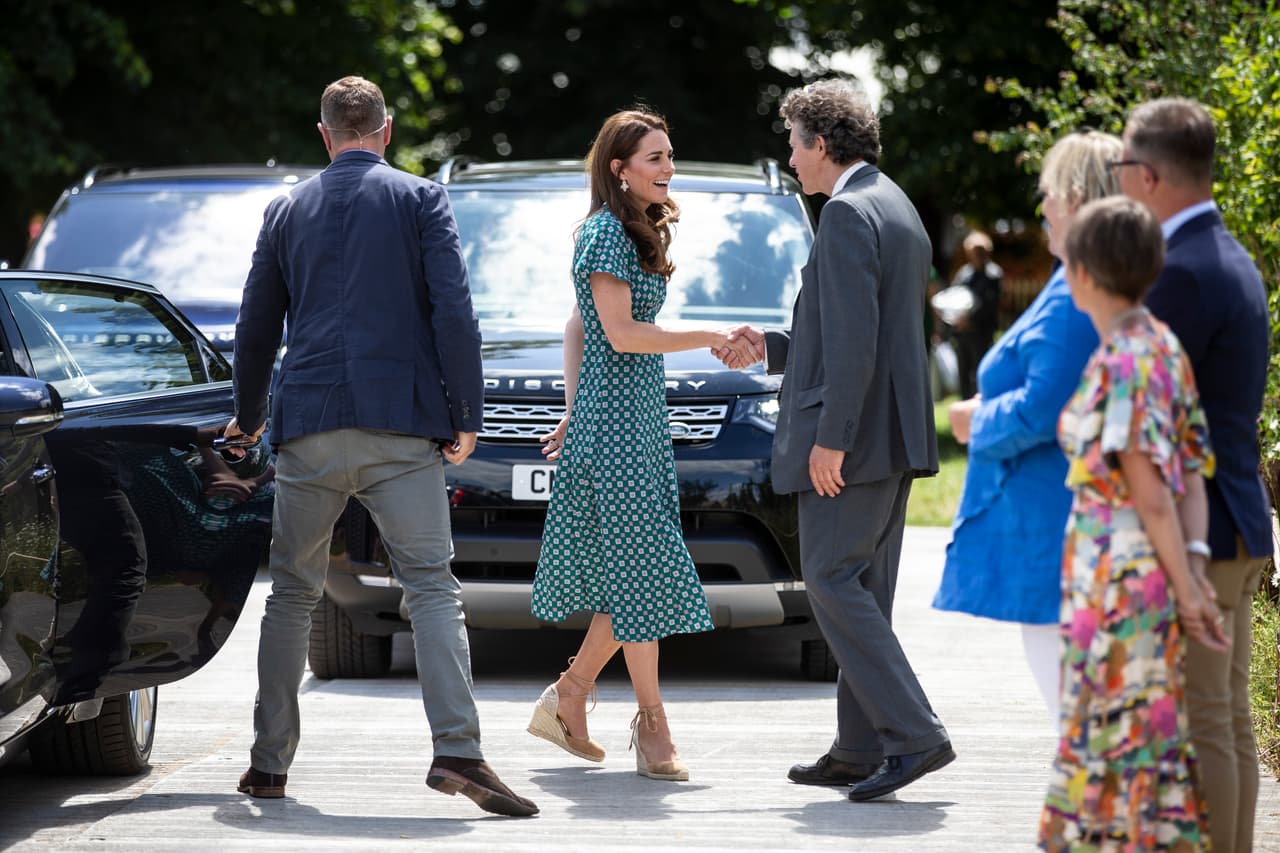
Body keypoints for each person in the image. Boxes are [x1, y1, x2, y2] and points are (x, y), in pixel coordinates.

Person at [225, 75, 538, 817]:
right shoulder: (422, 198)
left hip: (307, 424)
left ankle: (268, 766)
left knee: (292, 594)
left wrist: (249, 416)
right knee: (430, 586)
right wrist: (466, 411)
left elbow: (256, 325)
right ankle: (457, 750)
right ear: (386, 130)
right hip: (400, 423)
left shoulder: (285, 208)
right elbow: (453, 310)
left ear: (325, 134)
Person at [717, 79, 952, 802]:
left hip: (857, 441)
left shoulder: (848, 213)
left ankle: (915, 735)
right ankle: (857, 748)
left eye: (794, 145)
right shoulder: (893, 202)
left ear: (821, 143)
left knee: (828, 579)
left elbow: (854, 347)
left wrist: (832, 440)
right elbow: (856, 331)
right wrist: (773, 346)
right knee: (863, 589)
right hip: (893, 437)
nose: (791, 160)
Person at [526, 109, 756, 782]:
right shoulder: (604, 234)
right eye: (655, 157)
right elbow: (621, 334)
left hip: (634, 421)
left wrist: (575, 408)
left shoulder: (636, 229)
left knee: (634, 571)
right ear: (619, 169)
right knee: (640, 571)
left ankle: (571, 694)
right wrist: (711, 336)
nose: (668, 168)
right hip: (615, 429)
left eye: (669, 156)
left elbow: (579, 325)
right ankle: (650, 722)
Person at [1040, 194, 1229, 851]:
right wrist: (1193, 573)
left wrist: (1188, 591)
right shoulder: (1162, 345)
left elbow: (1151, 494)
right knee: (1139, 741)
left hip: (1121, 587)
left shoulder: (1126, 357)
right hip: (1130, 581)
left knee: (1118, 744)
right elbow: (1192, 473)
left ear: (1085, 272)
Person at [1113, 97, 1271, 853]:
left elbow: (1146, 418)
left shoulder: (1180, 273)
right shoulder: (1228, 256)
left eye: (1121, 165)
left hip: (1199, 532)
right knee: (1226, 716)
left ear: (1147, 175)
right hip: (1239, 519)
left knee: (1203, 718)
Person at [933, 131, 1119, 724]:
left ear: (1076, 197)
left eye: (1048, 194)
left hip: (1053, 519)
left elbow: (1045, 408)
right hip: (1052, 514)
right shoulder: (1080, 281)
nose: (1042, 208)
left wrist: (975, 419)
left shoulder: (1078, 291)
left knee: (1077, 713)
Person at [946, 231, 1004, 399]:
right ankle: (965, 403)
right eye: (973, 251)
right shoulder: (964, 274)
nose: (976, 255)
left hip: (982, 332)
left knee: (981, 371)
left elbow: (991, 304)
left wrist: (971, 320)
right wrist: (957, 320)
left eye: (980, 251)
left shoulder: (994, 274)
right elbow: (955, 297)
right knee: (963, 372)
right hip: (962, 333)